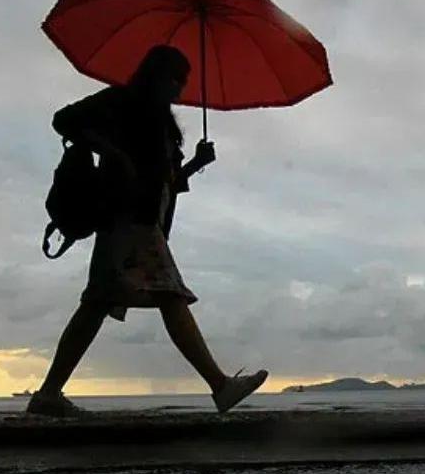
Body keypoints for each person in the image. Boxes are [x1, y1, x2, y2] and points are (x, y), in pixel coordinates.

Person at [28, 45, 267, 417]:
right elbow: (64, 119)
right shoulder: (121, 100)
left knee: (97, 303)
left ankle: (47, 394)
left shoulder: (163, 123)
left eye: (183, 82)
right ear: (155, 74)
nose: (179, 89)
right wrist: (114, 153)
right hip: (127, 218)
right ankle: (220, 385)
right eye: (175, 79)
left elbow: (164, 182)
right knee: (169, 295)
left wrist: (194, 165)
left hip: (142, 219)